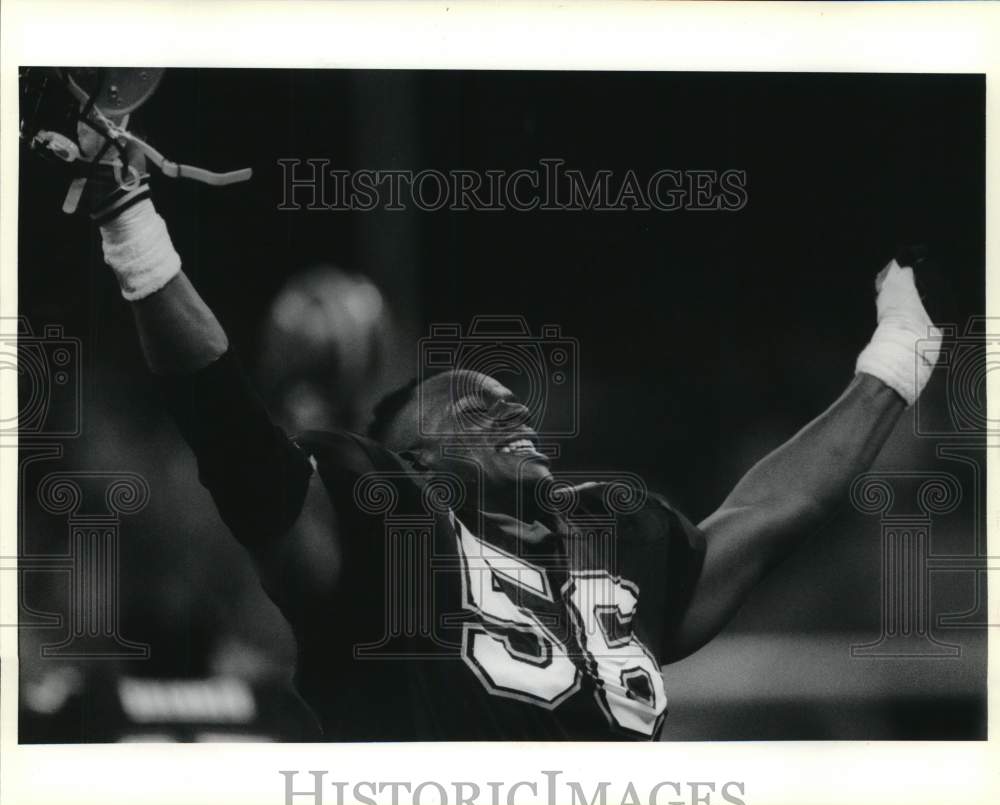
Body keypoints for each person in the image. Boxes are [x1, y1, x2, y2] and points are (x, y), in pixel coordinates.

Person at [55, 118, 942, 741]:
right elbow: (225, 428)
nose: (512, 409)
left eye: (509, 399)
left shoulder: (612, 544)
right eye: (472, 405)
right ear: (412, 462)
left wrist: (896, 360)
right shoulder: (379, 535)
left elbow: (774, 510)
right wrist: (131, 225)